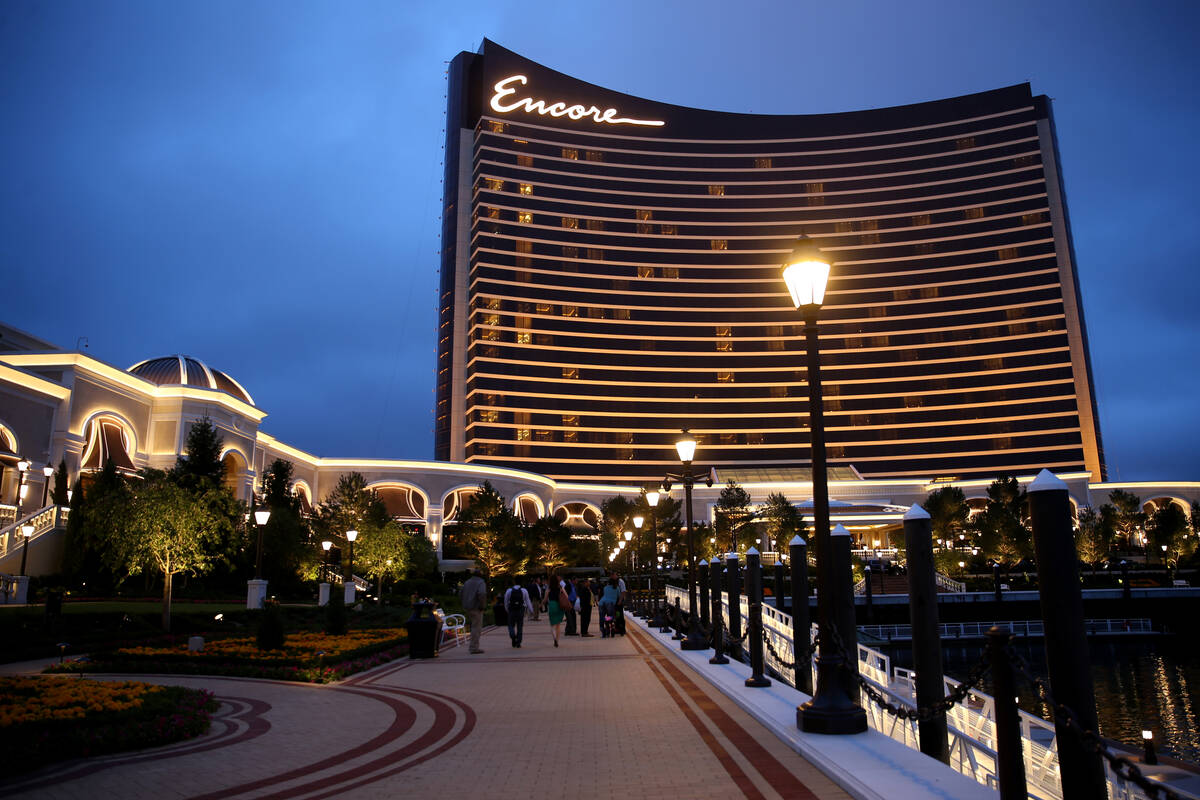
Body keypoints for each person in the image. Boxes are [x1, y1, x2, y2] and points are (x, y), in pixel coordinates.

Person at [459, 569, 487, 654]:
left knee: (473, 627)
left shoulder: (467, 582)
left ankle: (473, 646)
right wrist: (482, 605)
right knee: (476, 628)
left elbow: (460, 593)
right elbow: (482, 593)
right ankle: (474, 648)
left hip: (468, 607)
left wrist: (464, 602)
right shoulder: (481, 582)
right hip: (476, 608)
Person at [505, 577, 533, 647]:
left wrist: (507, 609)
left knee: (511, 625)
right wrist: (531, 610)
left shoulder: (509, 591)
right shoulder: (524, 591)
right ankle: (518, 642)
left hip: (511, 610)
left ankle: (513, 636)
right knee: (519, 626)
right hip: (521, 610)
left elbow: (506, 601)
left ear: (514, 582)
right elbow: (527, 601)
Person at [546, 572, 569, 647]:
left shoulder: (548, 589)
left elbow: (545, 599)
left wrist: (541, 604)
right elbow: (566, 596)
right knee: (558, 625)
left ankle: (554, 638)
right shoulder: (560, 588)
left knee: (552, 625)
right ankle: (557, 640)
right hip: (559, 606)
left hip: (552, 606)